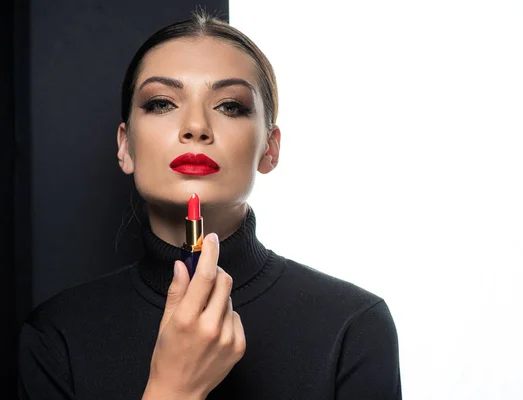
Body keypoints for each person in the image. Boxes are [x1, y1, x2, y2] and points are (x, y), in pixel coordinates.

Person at [18, 10, 401, 400]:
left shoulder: (353, 326)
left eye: (230, 106)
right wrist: (173, 388)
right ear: (125, 145)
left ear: (270, 149)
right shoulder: (57, 336)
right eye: (163, 103)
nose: (196, 126)